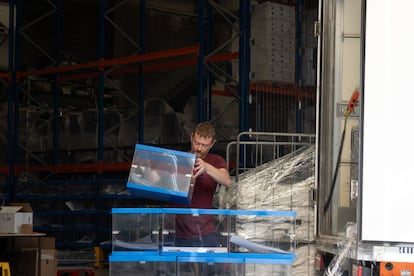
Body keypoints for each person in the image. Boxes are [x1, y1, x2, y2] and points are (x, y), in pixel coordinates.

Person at [171, 121, 232, 248]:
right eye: (196, 143)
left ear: (212, 144)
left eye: (204, 145)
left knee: (214, 266)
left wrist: (207, 167)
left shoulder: (216, 160)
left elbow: (227, 180)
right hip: (174, 229)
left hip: (203, 230)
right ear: (191, 137)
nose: (199, 148)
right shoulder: (177, 158)